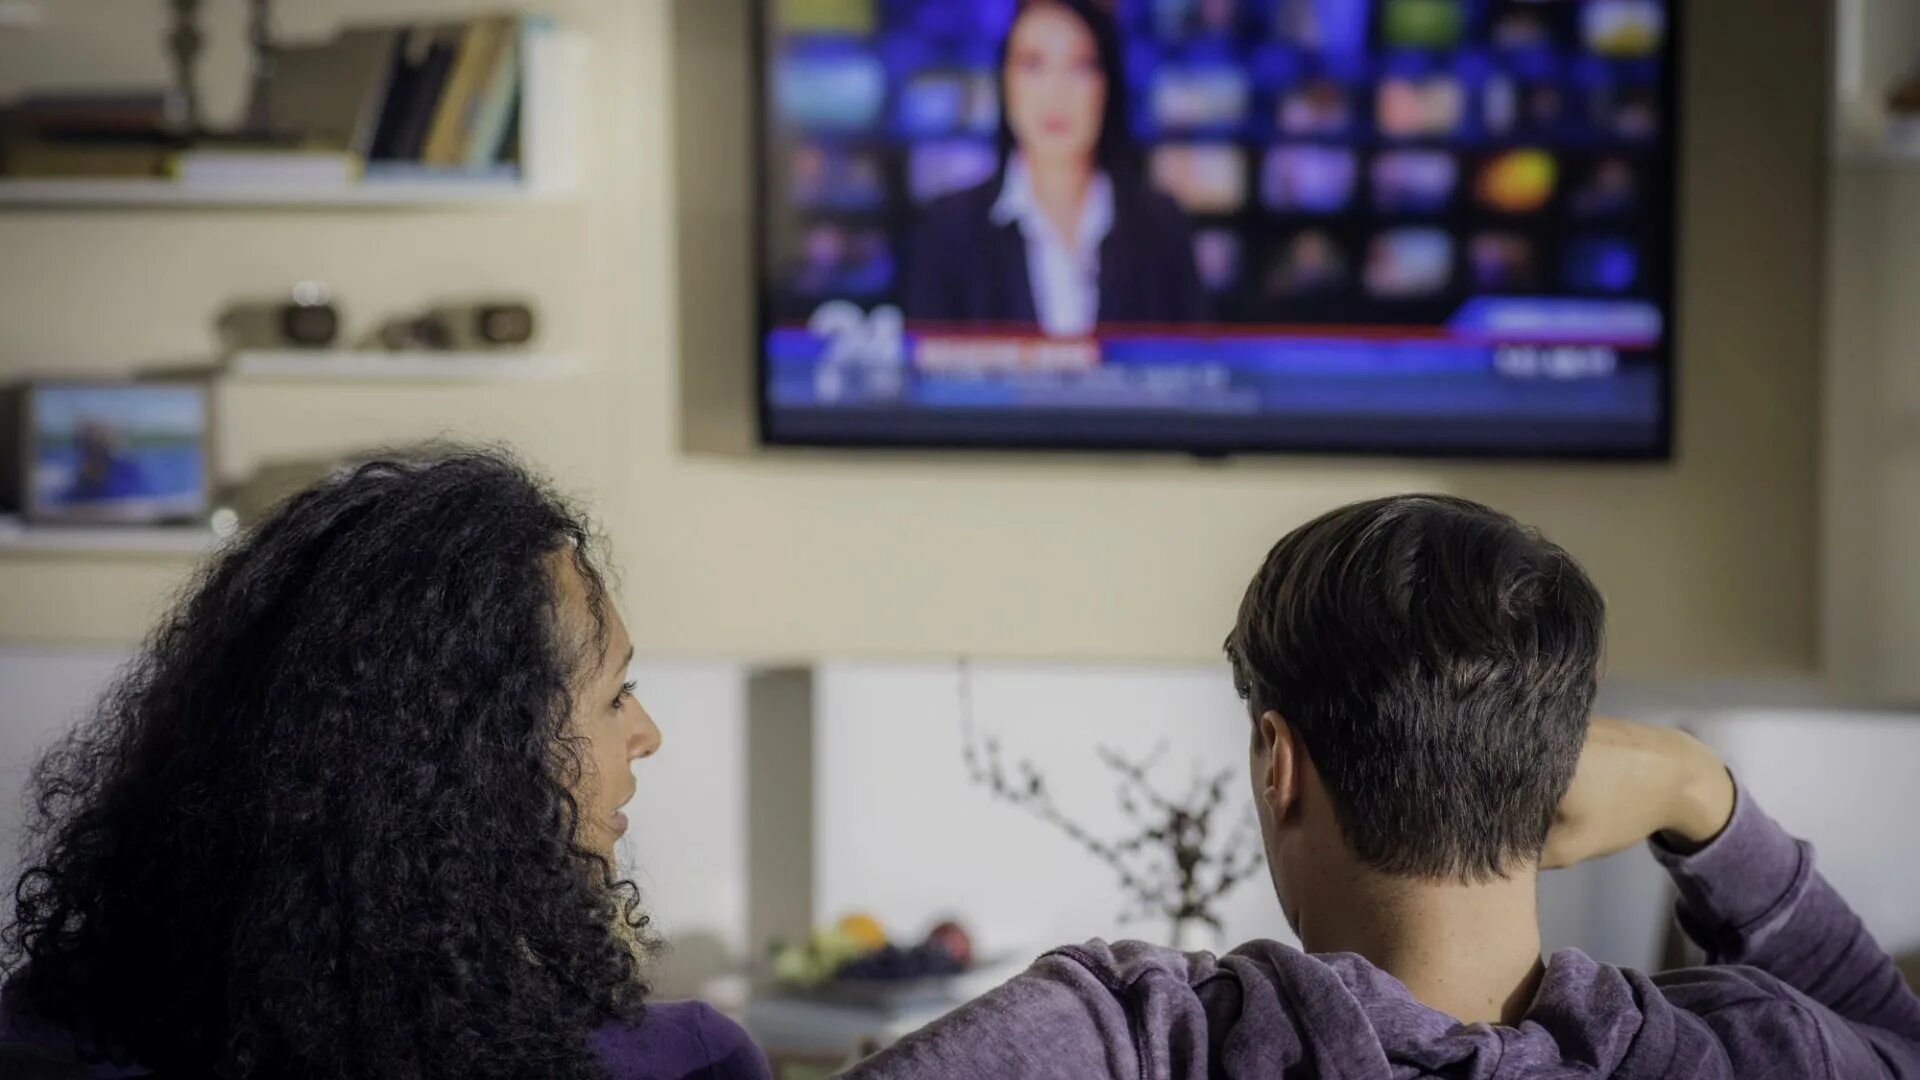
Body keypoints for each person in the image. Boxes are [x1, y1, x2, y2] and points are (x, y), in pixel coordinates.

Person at [844, 494, 1920, 1079]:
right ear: (1551, 765)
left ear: (1279, 762)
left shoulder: (1135, 1041)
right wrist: (1701, 794)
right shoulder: (1752, 1047)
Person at [0, 449, 772, 1080]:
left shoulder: (38, 1034)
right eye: (615, 695)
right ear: (480, 760)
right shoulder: (688, 1063)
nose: (647, 733)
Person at [904, 0, 1204, 336]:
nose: (1056, 92)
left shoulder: (1161, 226)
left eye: (1080, 66)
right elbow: (928, 380)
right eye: (1033, 64)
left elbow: (1192, 372)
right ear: (1005, 82)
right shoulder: (949, 228)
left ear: (1108, 85)